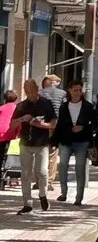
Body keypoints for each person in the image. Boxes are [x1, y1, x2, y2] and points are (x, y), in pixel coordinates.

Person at [12, 79, 56, 214]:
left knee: (42, 172)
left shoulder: (46, 103)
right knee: (25, 174)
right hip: (25, 143)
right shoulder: (21, 106)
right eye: (26, 90)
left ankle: (42, 195)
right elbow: (12, 124)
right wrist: (21, 119)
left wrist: (41, 125)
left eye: (31, 89)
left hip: (41, 143)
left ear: (37, 89)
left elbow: (53, 123)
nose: (28, 92)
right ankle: (27, 203)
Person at [53, 80, 98, 206]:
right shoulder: (64, 106)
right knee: (62, 167)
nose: (78, 93)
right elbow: (60, 125)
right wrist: (54, 141)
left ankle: (79, 198)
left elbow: (94, 123)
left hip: (82, 141)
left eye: (80, 90)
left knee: (80, 169)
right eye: (75, 90)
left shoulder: (88, 106)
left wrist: (83, 127)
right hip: (66, 140)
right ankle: (63, 193)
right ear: (69, 90)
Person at [41, 75, 67, 186]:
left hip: (42, 125)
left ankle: (40, 180)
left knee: (40, 153)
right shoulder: (63, 93)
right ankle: (50, 181)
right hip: (56, 126)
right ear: (54, 82)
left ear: (47, 82)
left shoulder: (40, 93)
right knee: (53, 154)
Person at [0, 90, 19, 172]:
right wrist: (18, 133)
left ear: (4, 98)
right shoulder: (17, 108)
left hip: (1, 133)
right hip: (12, 132)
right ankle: (7, 170)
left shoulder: (1, 108)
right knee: (11, 153)